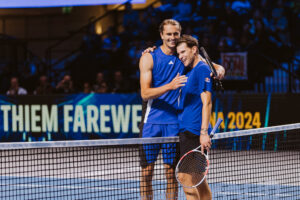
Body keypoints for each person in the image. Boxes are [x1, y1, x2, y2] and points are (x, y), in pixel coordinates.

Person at [139, 19, 225, 200]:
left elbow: (208, 66)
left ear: (180, 34)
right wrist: (170, 86)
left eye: (175, 34)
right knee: (146, 173)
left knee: (172, 174)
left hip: (175, 124)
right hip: (151, 123)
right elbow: (145, 94)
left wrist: (219, 67)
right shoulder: (150, 57)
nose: (172, 37)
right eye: (168, 34)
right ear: (161, 35)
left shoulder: (184, 56)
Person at [176, 35, 213, 200]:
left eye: (183, 51)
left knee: (188, 179)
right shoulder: (189, 69)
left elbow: (207, 102)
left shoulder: (201, 69)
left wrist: (203, 132)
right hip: (187, 130)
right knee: (197, 179)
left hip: (194, 132)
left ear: (194, 49)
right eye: (178, 53)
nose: (180, 56)